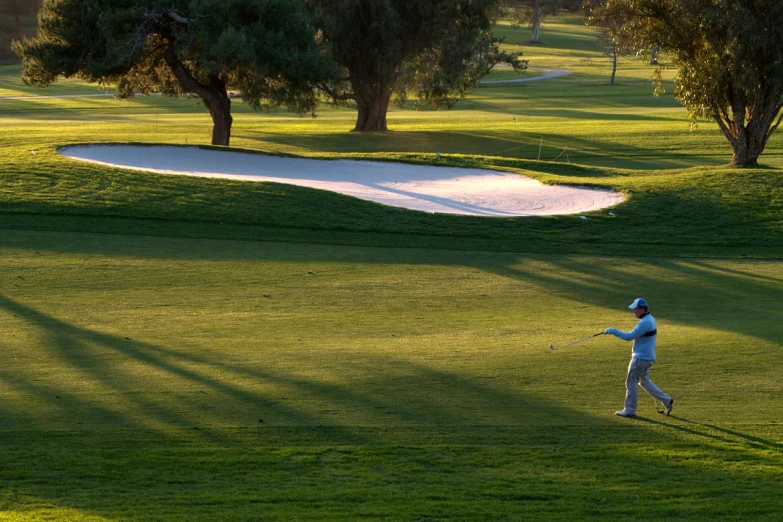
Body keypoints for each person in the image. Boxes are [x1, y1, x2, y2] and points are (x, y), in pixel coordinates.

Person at [604, 298, 674, 417]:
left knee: (631, 382)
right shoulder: (649, 319)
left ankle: (630, 410)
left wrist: (613, 331)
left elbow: (629, 336)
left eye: (636, 309)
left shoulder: (645, 322)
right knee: (644, 382)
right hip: (647, 357)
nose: (634, 311)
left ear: (642, 309)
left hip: (640, 358)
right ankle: (667, 401)